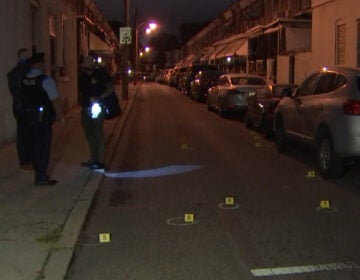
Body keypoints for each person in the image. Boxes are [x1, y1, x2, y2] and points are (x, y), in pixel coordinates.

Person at [21, 52, 64, 186]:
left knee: (33, 146)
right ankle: (41, 176)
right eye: (44, 63)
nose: (45, 65)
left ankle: (37, 172)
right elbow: (55, 100)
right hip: (42, 118)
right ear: (39, 65)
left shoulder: (23, 79)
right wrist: (60, 115)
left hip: (27, 117)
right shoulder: (46, 80)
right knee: (43, 147)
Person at [78, 56, 114, 170]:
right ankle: (94, 157)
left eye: (90, 61)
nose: (88, 64)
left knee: (98, 133)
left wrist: (99, 97)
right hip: (85, 107)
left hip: (97, 107)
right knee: (89, 134)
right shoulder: (82, 76)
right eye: (85, 62)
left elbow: (110, 88)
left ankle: (101, 161)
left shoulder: (100, 73)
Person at [6, 48, 32, 171]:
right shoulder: (16, 73)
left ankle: (29, 158)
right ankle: (24, 160)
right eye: (24, 55)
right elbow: (15, 91)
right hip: (21, 107)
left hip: (26, 106)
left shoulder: (28, 70)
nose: (26, 57)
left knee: (29, 134)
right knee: (23, 134)